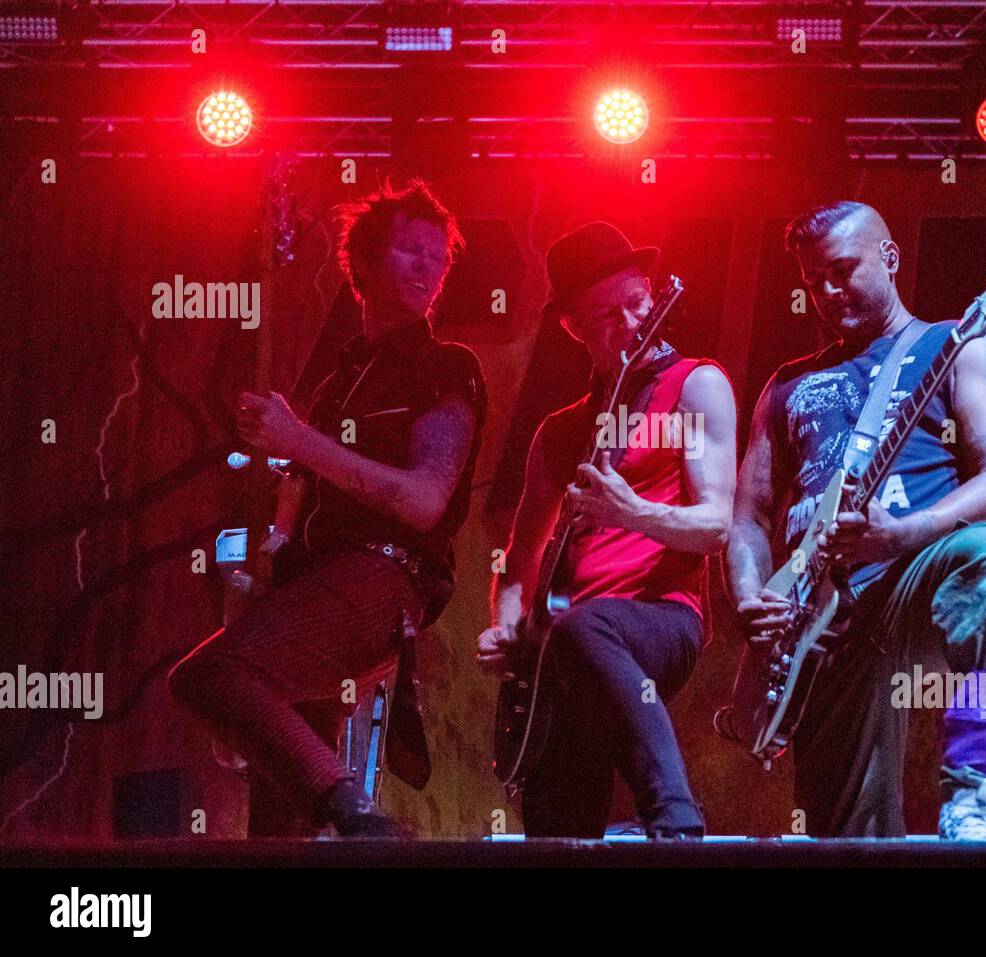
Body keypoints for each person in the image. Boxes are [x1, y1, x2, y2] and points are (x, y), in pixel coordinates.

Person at [169, 181, 486, 838]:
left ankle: (356, 814)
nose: (429, 265)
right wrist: (264, 572)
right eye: (410, 249)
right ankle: (325, 818)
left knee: (210, 673)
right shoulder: (340, 380)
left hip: (382, 575)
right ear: (363, 264)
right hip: (314, 581)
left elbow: (426, 501)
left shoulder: (445, 366)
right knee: (278, 801)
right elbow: (296, 502)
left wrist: (300, 440)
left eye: (438, 256)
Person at [727, 200, 986, 840]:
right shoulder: (787, 384)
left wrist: (900, 536)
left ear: (891, 258)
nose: (828, 290)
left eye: (843, 270)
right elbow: (748, 520)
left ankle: (977, 793)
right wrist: (752, 600)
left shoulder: (958, 347)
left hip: (914, 576)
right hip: (815, 621)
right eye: (814, 281)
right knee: (846, 837)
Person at [476, 222, 737, 839]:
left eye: (637, 300)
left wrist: (634, 514)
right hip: (564, 651)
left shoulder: (694, 384)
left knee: (586, 626)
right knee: (557, 826)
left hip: (659, 618)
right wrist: (506, 624)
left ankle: (677, 823)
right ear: (572, 327)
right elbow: (520, 561)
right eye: (604, 313)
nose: (630, 320)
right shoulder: (560, 431)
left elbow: (715, 527)